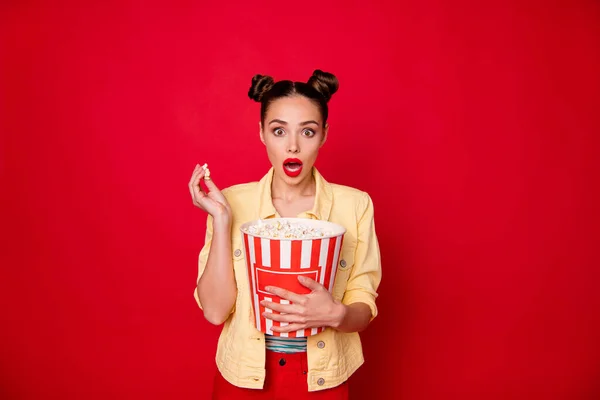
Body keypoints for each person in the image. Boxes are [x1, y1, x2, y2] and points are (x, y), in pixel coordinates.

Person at [188, 70, 382, 399]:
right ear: (262, 133)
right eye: (279, 131)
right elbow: (215, 311)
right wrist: (221, 219)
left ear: (323, 135)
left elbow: (363, 304)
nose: (292, 145)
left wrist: (338, 314)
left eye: (308, 131)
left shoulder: (355, 205)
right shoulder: (232, 202)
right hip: (244, 378)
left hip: (319, 379)